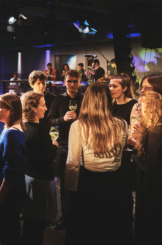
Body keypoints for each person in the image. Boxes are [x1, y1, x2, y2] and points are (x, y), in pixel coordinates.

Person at [64, 82, 128, 245]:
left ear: (87, 100)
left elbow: (73, 163)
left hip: (88, 185)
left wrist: (68, 192)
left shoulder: (78, 126)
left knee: (87, 233)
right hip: (115, 184)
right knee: (111, 233)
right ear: (108, 100)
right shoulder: (121, 124)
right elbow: (119, 156)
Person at [132, 91, 162, 245]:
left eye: (141, 105)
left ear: (149, 108)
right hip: (152, 185)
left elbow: (151, 167)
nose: (138, 108)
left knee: (150, 225)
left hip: (153, 187)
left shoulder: (156, 132)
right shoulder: (155, 129)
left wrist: (134, 158)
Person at [21, 91, 58, 245]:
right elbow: (47, 158)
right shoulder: (40, 130)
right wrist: (54, 147)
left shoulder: (22, 127)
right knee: (38, 225)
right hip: (41, 182)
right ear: (33, 108)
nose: (46, 108)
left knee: (29, 221)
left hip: (28, 178)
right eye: (43, 105)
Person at [47, 69, 83, 230]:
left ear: (80, 82)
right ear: (65, 82)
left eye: (75, 81)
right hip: (63, 146)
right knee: (64, 183)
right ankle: (66, 217)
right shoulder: (58, 100)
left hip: (82, 145)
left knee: (80, 182)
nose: (72, 84)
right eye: (69, 81)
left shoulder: (85, 99)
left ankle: (79, 216)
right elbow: (50, 120)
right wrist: (63, 119)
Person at [0, 92, 26, 245]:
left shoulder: (12, 134)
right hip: (9, 193)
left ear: (11, 110)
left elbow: (12, 171)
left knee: (9, 234)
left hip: (8, 195)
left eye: (0, 107)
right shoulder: (9, 129)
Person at [109, 73, 137, 243]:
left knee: (124, 193)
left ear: (125, 88)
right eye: (110, 86)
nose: (111, 89)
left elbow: (133, 133)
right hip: (112, 152)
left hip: (126, 155)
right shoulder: (111, 105)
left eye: (115, 86)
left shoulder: (133, 105)